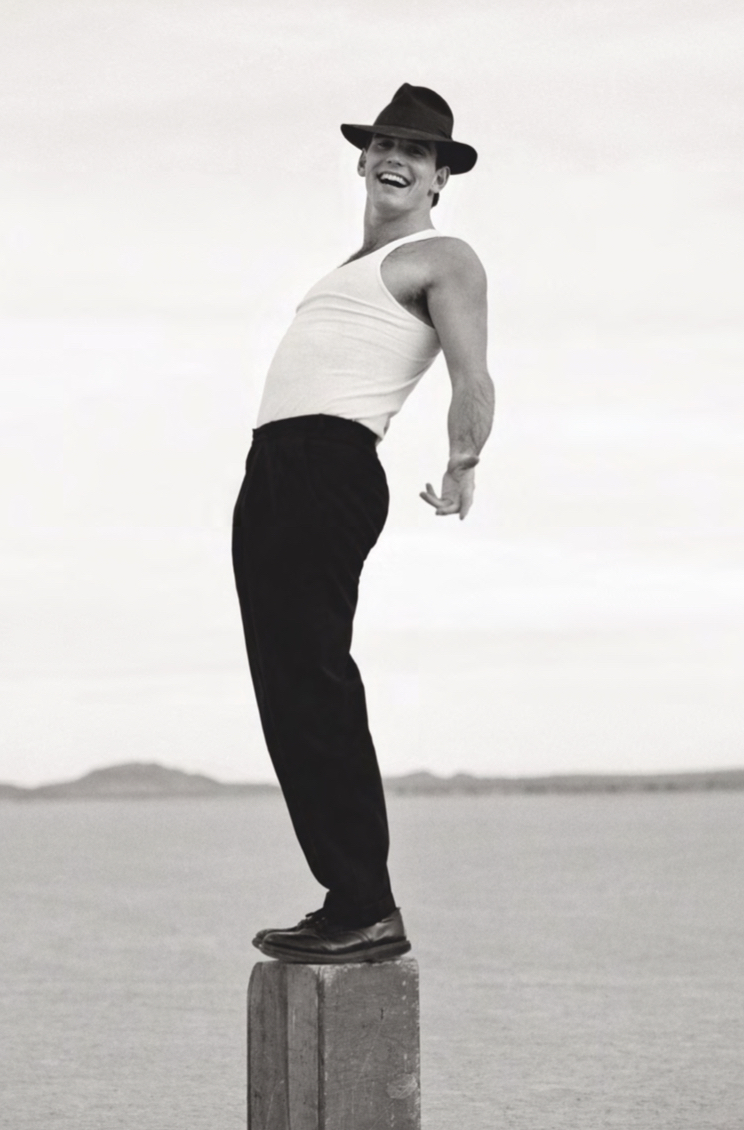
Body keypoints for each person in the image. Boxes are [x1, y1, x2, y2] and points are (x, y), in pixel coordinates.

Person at [232, 84, 494, 964]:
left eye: (417, 152)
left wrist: (464, 460)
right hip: (272, 471)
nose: (397, 157)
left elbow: (472, 375)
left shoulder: (444, 255)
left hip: (326, 467)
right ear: (362, 158)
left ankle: (367, 903)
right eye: (385, 142)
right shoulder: (344, 268)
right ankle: (346, 896)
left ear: (438, 178)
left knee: (316, 682)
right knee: (285, 694)